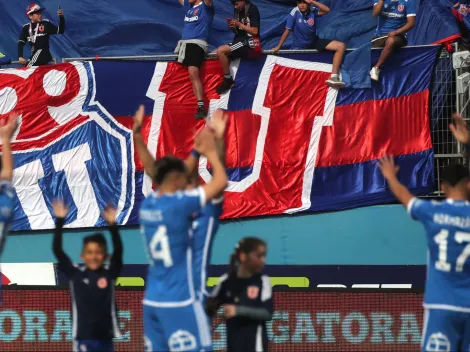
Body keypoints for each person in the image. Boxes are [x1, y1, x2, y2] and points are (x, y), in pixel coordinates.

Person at [137, 104, 228, 352]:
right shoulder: (203, 212)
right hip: (186, 300)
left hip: (154, 299)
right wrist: (214, 145)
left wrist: (198, 151)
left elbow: (167, 175)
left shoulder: (151, 204)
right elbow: (219, 182)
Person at [377, 114, 470, 351]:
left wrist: (391, 178)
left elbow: (407, 198)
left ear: (442, 187)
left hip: (441, 305)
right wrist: (467, 144)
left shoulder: (432, 211)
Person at [52, 201, 123, 352]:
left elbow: (118, 252)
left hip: (106, 338)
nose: (94, 256)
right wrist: (60, 221)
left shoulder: (109, 274)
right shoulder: (75, 273)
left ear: (105, 256)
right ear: (82, 256)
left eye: (98, 252)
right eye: (89, 252)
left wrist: (112, 225)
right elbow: (57, 250)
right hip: (83, 338)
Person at [206, 237, 273, 352]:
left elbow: (267, 313)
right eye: (259, 256)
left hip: (256, 347)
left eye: (264, 256)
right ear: (243, 256)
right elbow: (208, 309)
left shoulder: (263, 281)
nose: (264, 260)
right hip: (233, 346)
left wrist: (237, 311)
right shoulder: (225, 281)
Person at [189, 109, 227, 302]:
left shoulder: (207, 213)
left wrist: (217, 141)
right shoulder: (167, 210)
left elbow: (220, 182)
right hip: (167, 299)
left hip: (194, 298)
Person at [272, 0, 346, 89]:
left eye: (304, 2)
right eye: (300, 2)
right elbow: (287, 30)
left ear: (308, 4)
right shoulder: (294, 13)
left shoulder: (312, 10)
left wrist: (313, 1)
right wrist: (278, 46)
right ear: (297, 3)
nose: (302, 5)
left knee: (340, 46)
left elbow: (327, 10)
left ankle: (334, 77)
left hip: (314, 42)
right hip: (299, 47)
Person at [175, 0, 215, 120]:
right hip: (184, 45)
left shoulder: (205, 6)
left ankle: (201, 107)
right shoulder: (189, 6)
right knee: (186, 74)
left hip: (197, 43)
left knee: (193, 72)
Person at [215, 0, 262, 94]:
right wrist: (233, 27)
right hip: (239, 40)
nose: (235, 7)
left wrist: (239, 24)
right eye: (233, 4)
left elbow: (255, 31)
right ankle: (216, 79)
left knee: (221, 51)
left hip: (248, 42)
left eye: (236, 4)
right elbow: (238, 31)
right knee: (213, 53)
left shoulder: (253, 9)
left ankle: (228, 80)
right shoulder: (237, 11)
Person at [370, 0, 416, 82]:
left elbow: (411, 23)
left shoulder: (408, 2)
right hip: (380, 35)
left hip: (399, 35)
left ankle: (376, 68)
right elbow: (374, 14)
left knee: (391, 41)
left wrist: (396, 32)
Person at [0, 113, 18, 259]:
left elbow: (6, 173)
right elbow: (7, 172)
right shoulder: (6, 200)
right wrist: (6, 139)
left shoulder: (5, 201)